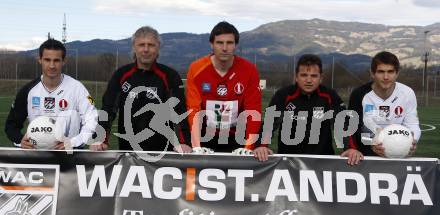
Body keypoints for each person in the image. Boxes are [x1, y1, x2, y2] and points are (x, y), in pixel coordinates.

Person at [91, 26, 191, 152]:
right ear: (134, 47)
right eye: (141, 45)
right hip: (128, 153)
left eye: (151, 45)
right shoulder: (121, 75)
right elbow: (108, 109)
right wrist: (100, 138)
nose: (146, 49)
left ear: (158, 47)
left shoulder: (170, 76)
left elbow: (179, 110)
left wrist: (184, 142)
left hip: (163, 153)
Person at [253, 54, 363, 165]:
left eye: (314, 76)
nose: (309, 80)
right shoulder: (283, 95)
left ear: (321, 78)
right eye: (304, 75)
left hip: (323, 162)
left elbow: (343, 124)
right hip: (289, 161)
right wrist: (261, 146)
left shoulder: (329, 96)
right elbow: (269, 124)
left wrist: (351, 148)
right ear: (296, 77)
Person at [4, 39, 98, 149]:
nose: (52, 65)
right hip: (39, 156)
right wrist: (20, 140)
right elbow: (11, 125)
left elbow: (92, 119)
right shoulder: (28, 90)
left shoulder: (78, 89)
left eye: (56, 60)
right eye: (47, 60)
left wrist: (74, 142)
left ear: (64, 61)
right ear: (40, 60)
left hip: (71, 155)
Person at [186, 21, 262, 154]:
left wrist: (248, 147)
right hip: (205, 137)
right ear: (212, 44)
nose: (225, 48)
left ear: (235, 45)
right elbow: (193, 110)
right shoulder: (196, 68)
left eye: (230, 43)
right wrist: (196, 145)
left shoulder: (249, 70)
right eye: (220, 43)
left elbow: (253, 110)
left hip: (237, 138)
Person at [342, 51, 420, 157]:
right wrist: (371, 143)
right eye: (381, 72)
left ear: (397, 73)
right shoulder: (359, 94)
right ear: (372, 73)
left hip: (398, 154)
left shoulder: (407, 93)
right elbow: (353, 129)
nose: (386, 77)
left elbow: (412, 125)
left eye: (390, 72)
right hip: (366, 155)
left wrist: (412, 141)